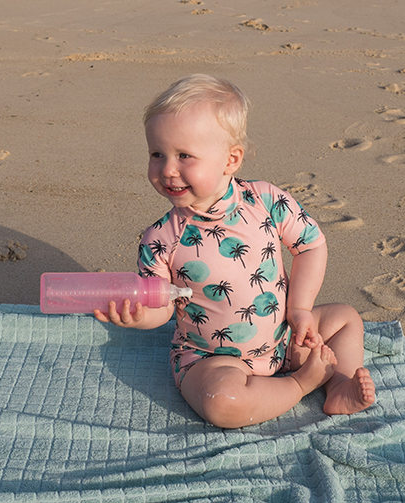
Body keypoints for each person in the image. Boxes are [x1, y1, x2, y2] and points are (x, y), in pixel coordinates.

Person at [94, 74, 375, 428]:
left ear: (231, 160)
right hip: (212, 358)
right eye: (156, 154)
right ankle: (304, 383)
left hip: (284, 338)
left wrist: (300, 309)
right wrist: (139, 317)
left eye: (184, 155)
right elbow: (162, 307)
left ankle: (338, 385)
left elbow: (310, 245)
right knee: (222, 402)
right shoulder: (160, 238)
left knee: (346, 318)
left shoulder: (265, 200)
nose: (167, 169)